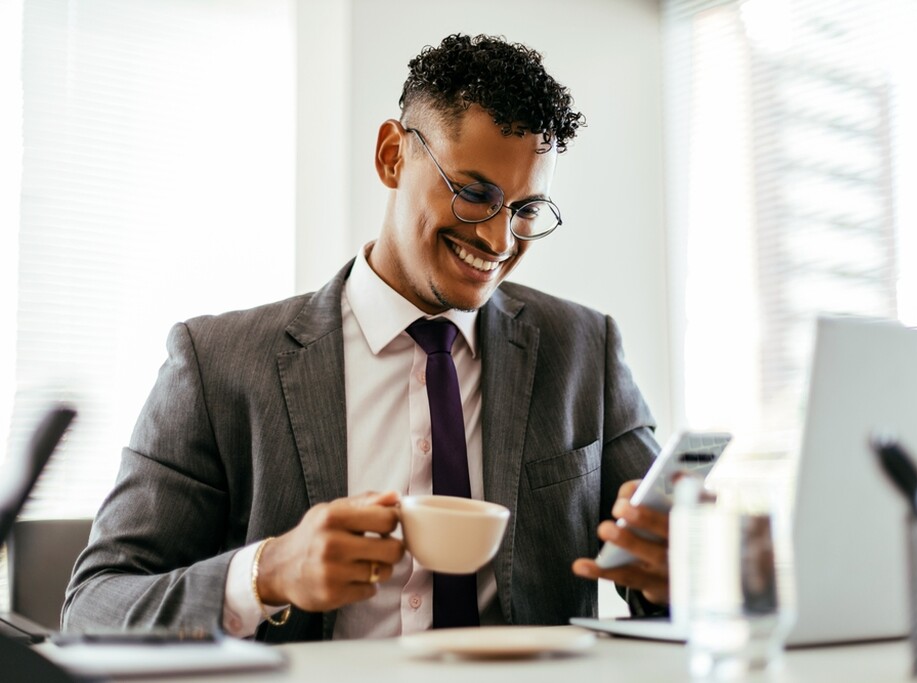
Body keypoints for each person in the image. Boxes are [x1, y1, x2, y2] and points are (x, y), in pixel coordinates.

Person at [64, 33, 669, 642]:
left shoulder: (584, 349)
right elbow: (94, 606)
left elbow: (662, 573)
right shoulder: (215, 364)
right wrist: (267, 573)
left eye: (525, 210)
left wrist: (680, 572)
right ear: (391, 156)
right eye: (474, 195)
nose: (499, 242)